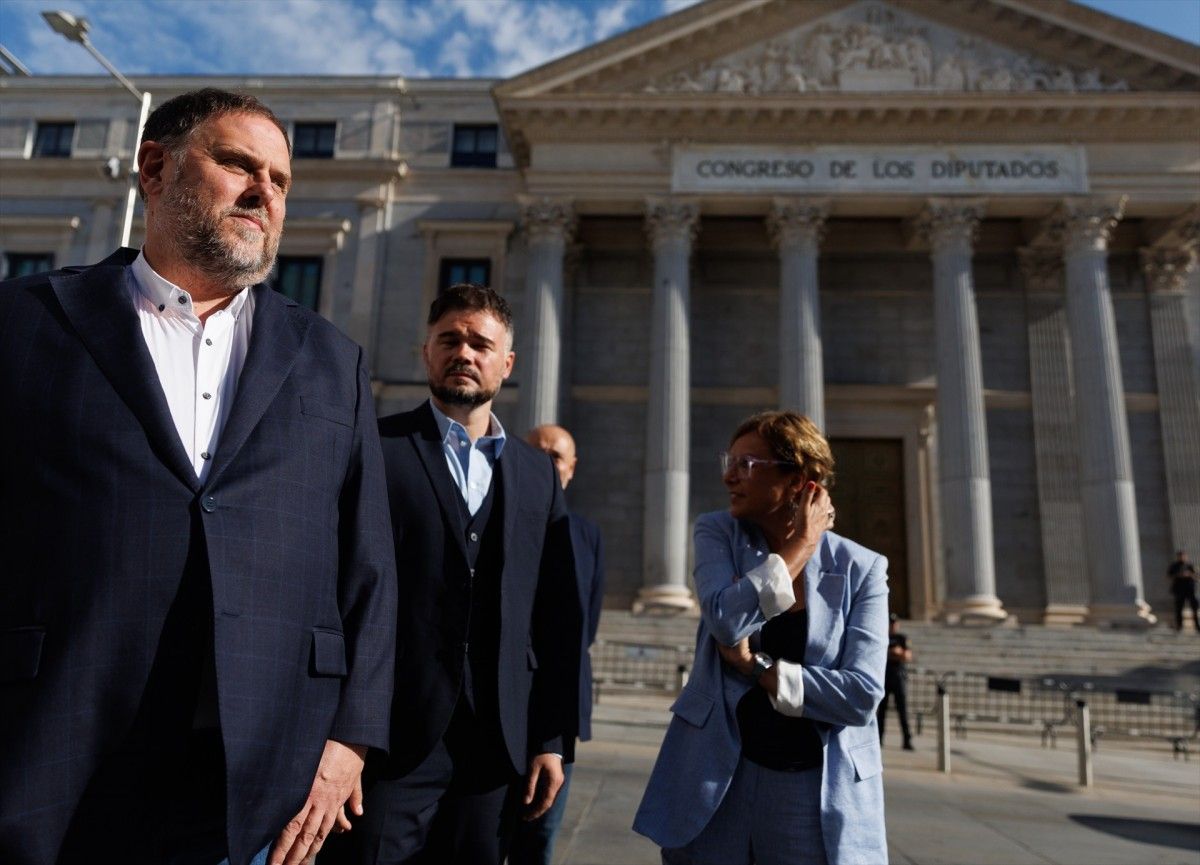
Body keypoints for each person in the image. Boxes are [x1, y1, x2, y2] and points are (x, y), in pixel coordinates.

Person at [0, 89, 397, 865]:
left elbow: (369, 566)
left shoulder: (331, 359)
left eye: (280, 180)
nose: (265, 192)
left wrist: (351, 735)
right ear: (155, 168)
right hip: (51, 757)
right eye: (238, 165)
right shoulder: (23, 322)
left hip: (260, 780)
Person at [322, 284, 582, 865]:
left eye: (481, 344)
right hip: (388, 743)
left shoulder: (536, 475)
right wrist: (338, 735)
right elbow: (333, 592)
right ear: (427, 353)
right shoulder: (373, 449)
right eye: (450, 340)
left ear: (506, 363)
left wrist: (550, 740)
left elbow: (556, 617)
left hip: (495, 750)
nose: (465, 353)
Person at [633, 410, 889, 865]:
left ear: (799, 480)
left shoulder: (862, 568)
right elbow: (726, 622)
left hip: (810, 788)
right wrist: (801, 547)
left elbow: (862, 696)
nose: (730, 475)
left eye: (748, 464)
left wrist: (759, 669)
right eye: (728, 461)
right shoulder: (717, 532)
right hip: (717, 778)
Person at [509, 424, 606, 865]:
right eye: (537, 454)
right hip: (501, 700)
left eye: (556, 456)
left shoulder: (587, 535)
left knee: (539, 838)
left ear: (571, 468)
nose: (547, 464)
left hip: (558, 710)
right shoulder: (499, 520)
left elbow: (585, 624)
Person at [877, 613, 915, 751]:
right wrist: (895, 653)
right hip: (885, 677)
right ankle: (879, 739)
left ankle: (907, 739)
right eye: (890, 623)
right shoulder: (882, 637)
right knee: (882, 712)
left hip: (899, 678)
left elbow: (907, 655)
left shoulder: (902, 638)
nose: (892, 626)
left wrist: (894, 653)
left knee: (902, 711)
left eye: (894, 623)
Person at [1168, 551, 1199, 633]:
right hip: (1179, 590)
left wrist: (1189, 574)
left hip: (1190, 590)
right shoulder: (1174, 566)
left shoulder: (1189, 565)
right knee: (1179, 608)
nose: (1182, 557)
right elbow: (1169, 576)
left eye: (1183, 556)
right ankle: (1179, 626)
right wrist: (1179, 575)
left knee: (1194, 608)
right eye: (1180, 556)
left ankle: (1197, 626)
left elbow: (1196, 576)